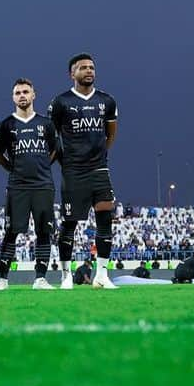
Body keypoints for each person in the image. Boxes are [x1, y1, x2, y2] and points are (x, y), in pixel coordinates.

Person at [48, 53, 119, 290]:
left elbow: (110, 134)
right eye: (83, 68)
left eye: (91, 67)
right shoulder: (61, 102)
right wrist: (66, 161)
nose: (89, 71)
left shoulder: (107, 101)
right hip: (73, 171)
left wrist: (99, 155)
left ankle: (102, 275)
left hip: (99, 169)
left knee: (105, 217)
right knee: (69, 223)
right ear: (72, 73)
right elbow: (51, 136)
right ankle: (66, 274)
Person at [0, 78, 58, 291]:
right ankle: (2, 279)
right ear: (13, 97)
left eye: (25, 92)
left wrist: (42, 166)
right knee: (11, 232)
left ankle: (40, 279)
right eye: (18, 92)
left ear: (33, 95)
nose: (22, 95)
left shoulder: (45, 124)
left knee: (44, 232)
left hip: (43, 185)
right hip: (18, 186)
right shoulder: (6, 125)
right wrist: (13, 169)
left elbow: (54, 149)